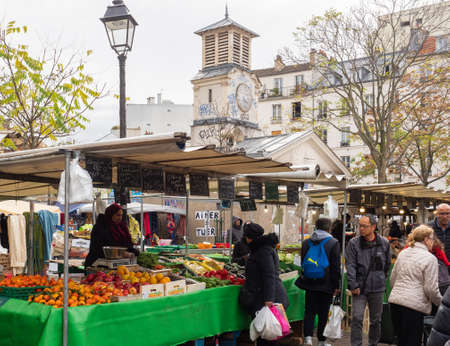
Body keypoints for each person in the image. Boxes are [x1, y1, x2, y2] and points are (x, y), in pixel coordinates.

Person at [388, 225, 442, 346]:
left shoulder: (403, 253)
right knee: (413, 341)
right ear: (426, 239)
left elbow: (392, 280)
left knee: (401, 340)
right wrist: (441, 303)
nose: (433, 242)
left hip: (395, 303)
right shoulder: (430, 259)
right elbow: (431, 288)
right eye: (432, 239)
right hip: (414, 307)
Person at [241, 222, 289, 346]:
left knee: (268, 335)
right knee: (266, 334)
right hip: (262, 295)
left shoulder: (263, 251)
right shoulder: (262, 248)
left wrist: (269, 299)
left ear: (249, 237)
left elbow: (269, 275)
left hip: (266, 298)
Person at [346, 214, 390, 346]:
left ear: (373, 227)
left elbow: (387, 265)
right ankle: (356, 344)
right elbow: (350, 265)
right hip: (359, 287)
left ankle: (373, 343)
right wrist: (353, 284)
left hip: (377, 287)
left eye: (364, 226)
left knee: (376, 320)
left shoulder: (384, 243)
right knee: (357, 317)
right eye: (360, 225)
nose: (361, 229)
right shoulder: (354, 243)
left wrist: (381, 278)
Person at [296, 217, 340, 346]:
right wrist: (336, 285)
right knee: (323, 312)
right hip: (326, 283)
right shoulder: (333, 242)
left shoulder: (306, 242)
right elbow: (335, 266)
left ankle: (308, 338)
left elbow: (304, 262)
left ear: (316, 226)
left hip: (309, 282)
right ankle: (321, 340)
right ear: (329, 228)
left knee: (309, 311)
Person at [429, 203, 450, 271]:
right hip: (434, 266)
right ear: (437, 214)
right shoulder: (428, 228)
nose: (445, 216)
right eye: (441, 213)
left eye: (447, 213)